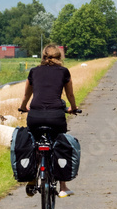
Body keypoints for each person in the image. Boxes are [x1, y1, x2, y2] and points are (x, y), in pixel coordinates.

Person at [18, 44, 77, 198]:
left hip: (35, 116)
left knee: (34, 142)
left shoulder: (33, 71)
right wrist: (73, 108)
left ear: (42, 56)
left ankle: (32, 176)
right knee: (60, 144)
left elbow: (26, 96)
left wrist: (23, 107)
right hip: (56, 116)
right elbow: (70, 95)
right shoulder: (64, 72)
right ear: (59, 57)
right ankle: (63, 186)